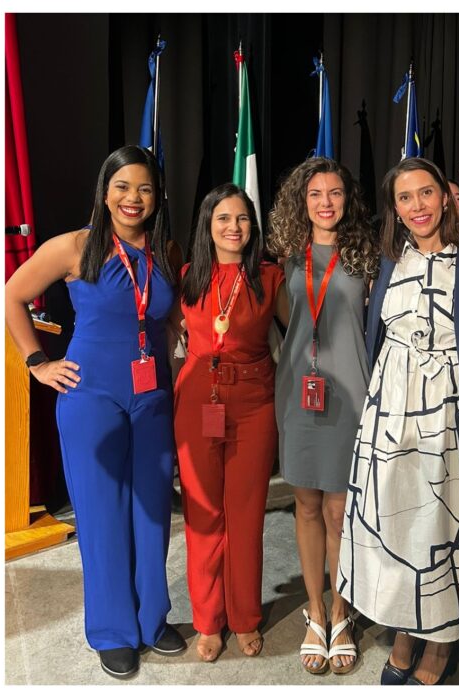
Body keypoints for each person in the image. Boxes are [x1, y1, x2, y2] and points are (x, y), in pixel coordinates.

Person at [4, 145, 187, 679]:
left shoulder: (165, 250)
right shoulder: (74, 246)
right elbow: (11, 296)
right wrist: (37, 363)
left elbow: (168, 318)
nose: (134, 198)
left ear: (158, 196)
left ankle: (152, 619)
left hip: (152, 397)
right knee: (102, 514)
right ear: (105, 192)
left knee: (152, 512)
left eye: (145, 188)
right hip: (91, 397)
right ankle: (112, 630)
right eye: (123, 186)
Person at [337, 157, 459, 686]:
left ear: (447, 197)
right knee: (396, 524)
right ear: (395, 209)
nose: (417, 206)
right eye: (405, 198)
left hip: (447, 407)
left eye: (426, 193)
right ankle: (405, 629)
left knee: (439, 525)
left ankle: (442, 641)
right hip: (389, 407)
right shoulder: (388, 260)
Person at [268, 157, 379, 675]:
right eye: (315, 194)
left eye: (335, 193)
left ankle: (341, 611)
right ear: (302, 201)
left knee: (339, 512)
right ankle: (315, 612)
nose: (326, 202)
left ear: (347, 199)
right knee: (307, 506)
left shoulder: (366, 256)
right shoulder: (288, 258)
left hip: (351, 395)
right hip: (299, 393)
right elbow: (288, 319)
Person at [172, 183, 290, 662]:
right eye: (223, 218)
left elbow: (302, 331)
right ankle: (208, 621)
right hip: (199, 401)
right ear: (208, 225)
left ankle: (244, 616)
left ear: (252, 225)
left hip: (254, 404)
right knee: (203, 514)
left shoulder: (270, 277)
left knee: (245, 514)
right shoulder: (188, 277)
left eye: (242, 218)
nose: (233, 227)